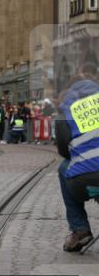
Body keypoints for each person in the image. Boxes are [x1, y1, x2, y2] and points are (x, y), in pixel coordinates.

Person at [55, 76, 99, 252]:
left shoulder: (65, 110)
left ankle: (80, 230)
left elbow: (64, 151)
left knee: (64, 168)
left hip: (83, 182)